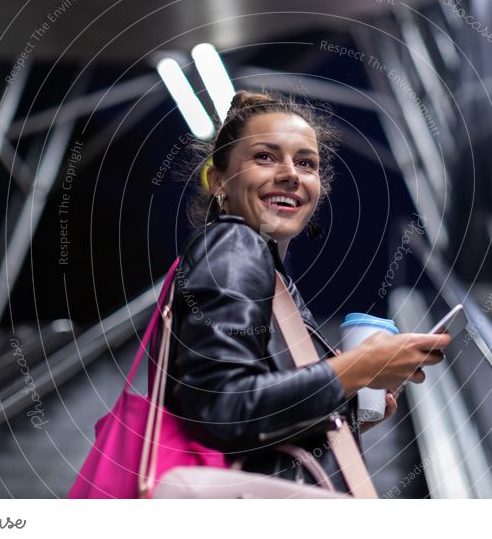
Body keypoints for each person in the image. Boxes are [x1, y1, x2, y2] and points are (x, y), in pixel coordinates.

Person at [164, 90, 449, 494]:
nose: (290, 174)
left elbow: (256, 411)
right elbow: (221, 407)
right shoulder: (235, 247)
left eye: (306, 163)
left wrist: (351, 408)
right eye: (265, 156)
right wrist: (357, 367)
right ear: (219, 182)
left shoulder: (265, 265)